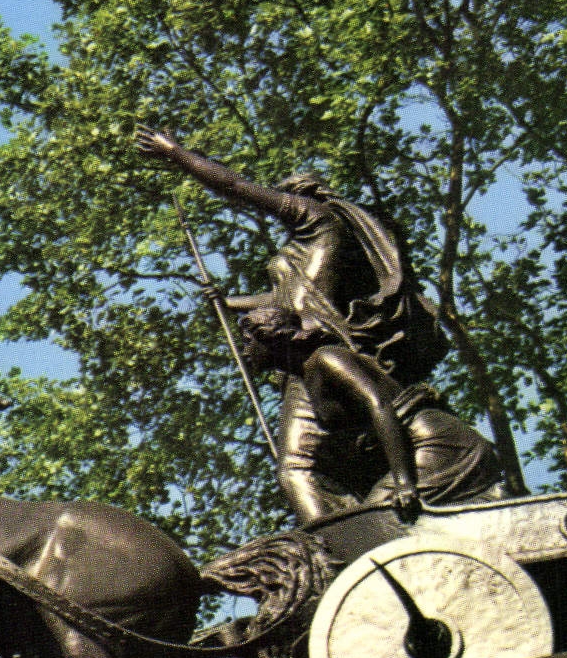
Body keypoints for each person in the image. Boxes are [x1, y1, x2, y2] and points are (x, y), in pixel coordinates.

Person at [134, 126, 450, 523]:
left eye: (288, 194)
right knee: (295, 470)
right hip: (298, 363)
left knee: (300, 468)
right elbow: (289, 298)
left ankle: (347, 536)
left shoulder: (321, 221)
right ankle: (336, 537)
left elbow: (235, 186)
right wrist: (228, 302)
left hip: (320, 348)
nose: (281, 201)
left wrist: (177, 154)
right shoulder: (304, 254)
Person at [238, 307, 511, 515]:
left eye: (247, 341)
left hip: (437, 444)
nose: (243, 351)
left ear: (269, 338)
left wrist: (404, 482)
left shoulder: (326, 358)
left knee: (375, 517)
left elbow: (379, 405)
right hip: (418, 446)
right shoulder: (307, 374)